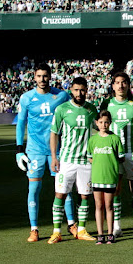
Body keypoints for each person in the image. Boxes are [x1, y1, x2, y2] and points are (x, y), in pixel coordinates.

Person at [15, 63, 74, 242]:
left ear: (50, 76)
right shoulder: (26, 98)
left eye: (45, 76)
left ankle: (71, 224)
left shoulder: (62, 95)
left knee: (65, 189)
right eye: (39, 76)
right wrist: (19, 150)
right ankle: (34, 229)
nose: (42, 79)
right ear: (34, 77)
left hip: (58, 151)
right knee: (34, 189)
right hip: (35, 152)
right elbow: (20, 124)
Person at [48, 77, 99, 244]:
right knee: (60, 194)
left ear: (87, 90)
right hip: (66, 160)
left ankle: (82, 229)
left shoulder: (92, 109)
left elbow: (101, 128)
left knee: (85, 196)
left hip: (86, 161)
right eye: (76, 90)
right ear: (71, 90)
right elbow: (54, 133)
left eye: (82, 90)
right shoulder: (62, 109)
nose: (79, 93)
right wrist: (55, 157)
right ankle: (56, 231)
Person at [99, 71, 133, 238]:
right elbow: (100, 125)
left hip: (132, 153)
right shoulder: (107, 103)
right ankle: (117, 226)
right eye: (117, 82)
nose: (120, 85)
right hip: (113, 155)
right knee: (116, 190)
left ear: (128, 85)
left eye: (124, 82)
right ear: (113, 86)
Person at [87, 110, 124, 244]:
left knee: (108, 205)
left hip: (110, 177)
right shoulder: (93, 139)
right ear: (96, 123)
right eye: (101, 122)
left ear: (110, 123)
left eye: (106, 122)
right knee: (98, 205)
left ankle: (110, 233)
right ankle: (100, 234)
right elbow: (90, 158)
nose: (104, 125)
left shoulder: (115, 138)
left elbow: (121, 158)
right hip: (97, 177)